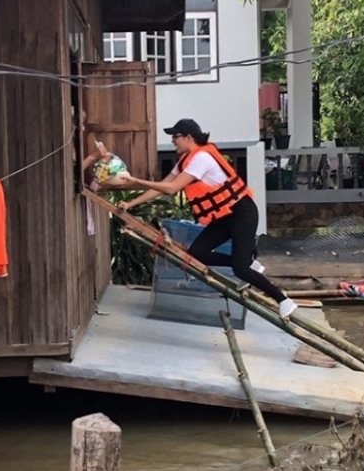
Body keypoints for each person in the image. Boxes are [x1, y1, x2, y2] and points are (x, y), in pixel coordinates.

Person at [117, 118, 298, 321]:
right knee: (197, 254)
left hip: (241, 212)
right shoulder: (185, 161)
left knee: (240, 269)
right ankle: (249, 262)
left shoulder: (201, 158)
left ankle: (283, 300)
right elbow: (159, 187)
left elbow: (172, 189)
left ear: (188, 137)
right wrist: (130, 204)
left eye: (175, 137)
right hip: (224, 216)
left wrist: (133, 180)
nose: (173, 141)